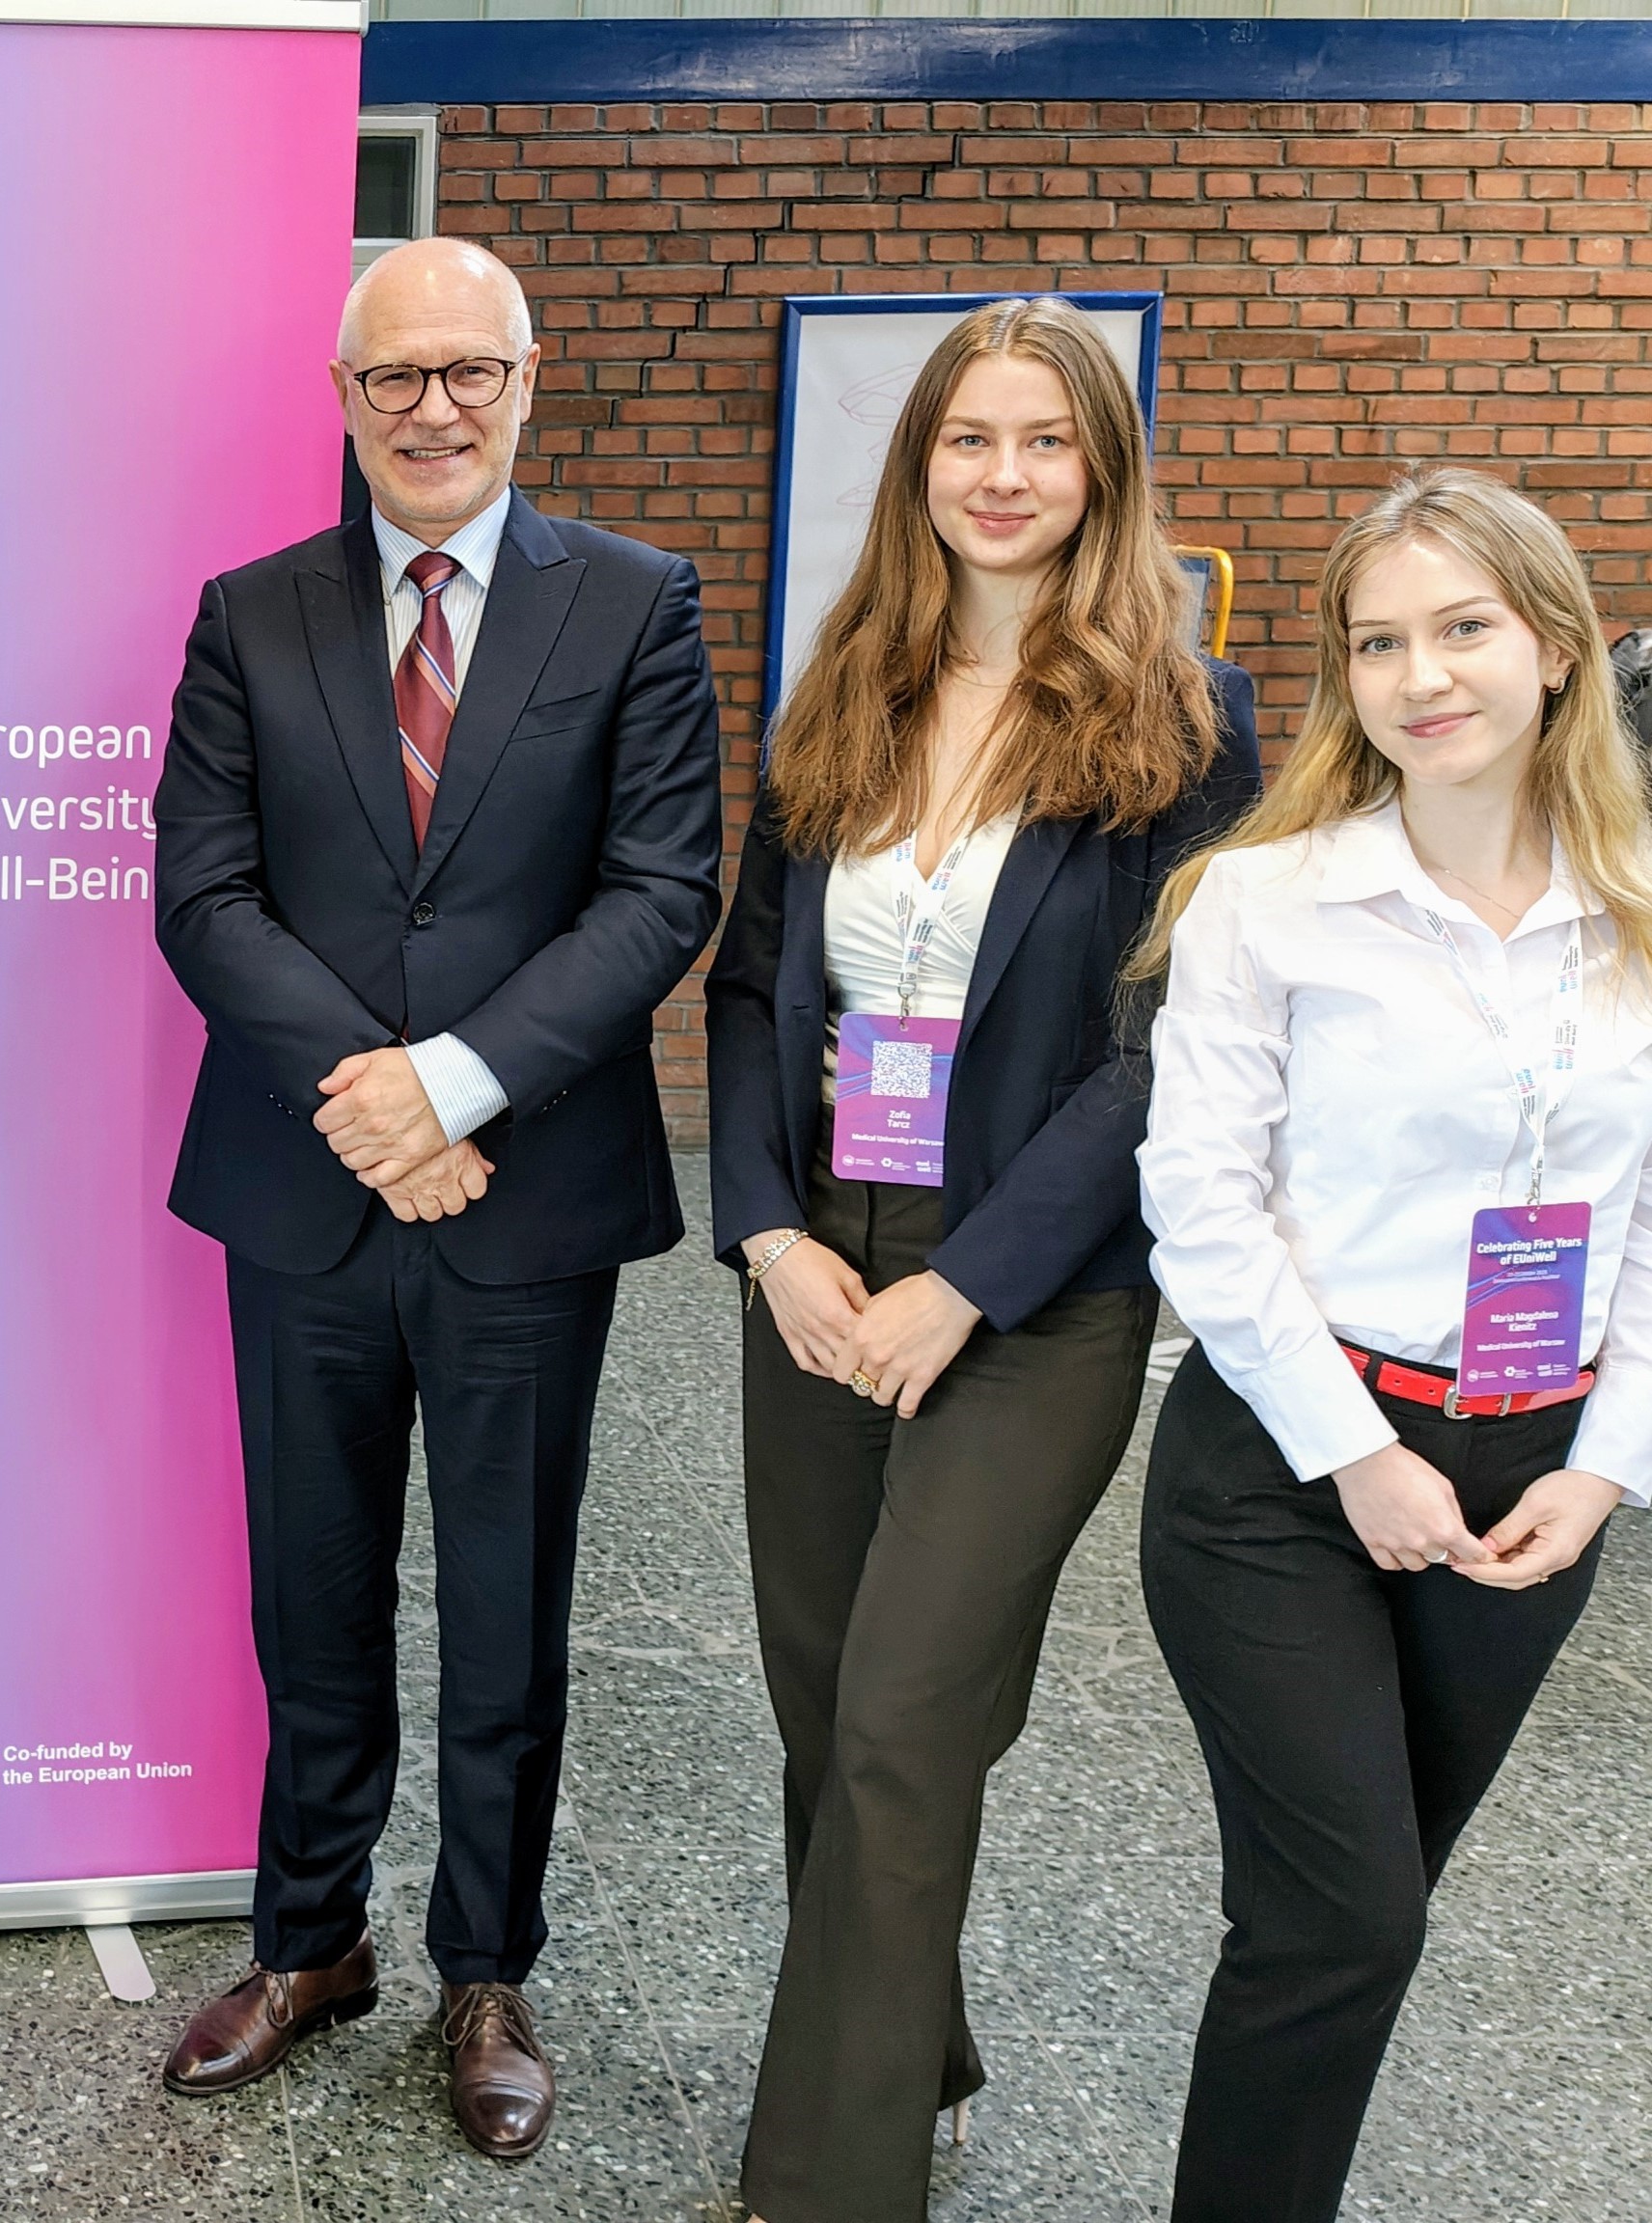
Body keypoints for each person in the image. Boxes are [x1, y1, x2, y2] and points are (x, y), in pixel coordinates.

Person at [149, 234, 724, 2159]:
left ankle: (486, 1966)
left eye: (471, 369)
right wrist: (380, 1103)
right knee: (310, 1599)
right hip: (305, 1200)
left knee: (507, 1605)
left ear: (527, 382)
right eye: (396, 376)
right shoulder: (252, 616)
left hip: (527, 1197)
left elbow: (660, 890)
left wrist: (458, 1086)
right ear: (344, 399)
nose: (435, 405)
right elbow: (205, 896)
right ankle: (310, 1945)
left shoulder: (636, 605)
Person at [702, 296, 1260, 2223]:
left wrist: (974, 1280)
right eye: (967, 438)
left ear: (1100, 468)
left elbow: (1163, 1042)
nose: (1002, 475)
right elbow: (758, 985)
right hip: (820, 1262)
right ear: (919, 464)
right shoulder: (839, 687)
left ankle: (825, 2184)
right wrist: (766, 1229)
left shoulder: (1188, 721)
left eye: (1045, 439)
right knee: (823, 1702)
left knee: (905, 1710)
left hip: (1034, 1291)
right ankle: (907, 2046)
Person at [1135, 466, 1652, 2222]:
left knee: (1342, 1918)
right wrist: (1355, 1453)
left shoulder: (1641, 901)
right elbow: (1200, 1207)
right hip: (1287, 1468)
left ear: (1558, 649)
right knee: (1350, 1915)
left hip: (1533, 1481)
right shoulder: (1267, 903)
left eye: (1463, 628)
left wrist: (1604, 1472)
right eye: (1377, 643)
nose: (1421, 675)